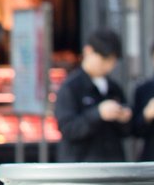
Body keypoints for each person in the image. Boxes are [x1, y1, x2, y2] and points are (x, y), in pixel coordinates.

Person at [54, 27, 132, 162]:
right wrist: (98, 114)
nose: (107, 66)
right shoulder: (70, 87)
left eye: (112, 62)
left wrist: (124, 118)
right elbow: (68, 128)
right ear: (88, 51)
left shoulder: (114, 88)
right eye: (103, 60)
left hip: (112, 164)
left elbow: (127, 132)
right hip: (82, 167)